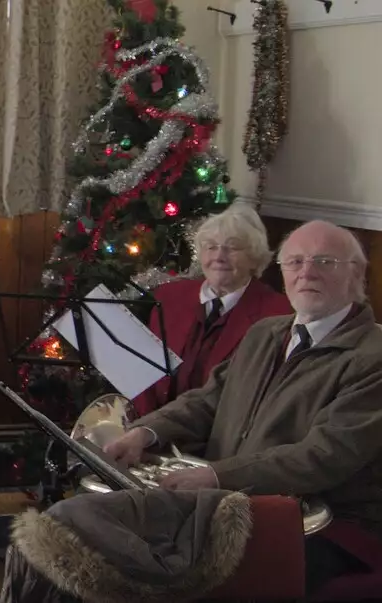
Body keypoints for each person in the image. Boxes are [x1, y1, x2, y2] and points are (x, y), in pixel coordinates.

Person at [104, 220, 382, 594]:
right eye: (295, 262)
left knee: (181, 579)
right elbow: (207, 400)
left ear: (357, 274)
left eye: (325, 261)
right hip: (230, 504)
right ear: (281, 272)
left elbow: (325, 455)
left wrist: (218, 476)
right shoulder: (264, 333)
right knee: (108, 544)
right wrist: (145, 432)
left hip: (326, 524)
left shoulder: (373, 357)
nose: (307, 272)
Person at [131, 202, 290, 416]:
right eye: (211, 247)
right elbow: (146, 373)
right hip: (152, 427)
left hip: (219, 435)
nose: (219, 257)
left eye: (232, 247)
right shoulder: (169, 297)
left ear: (255, 257)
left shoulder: (278, 313)